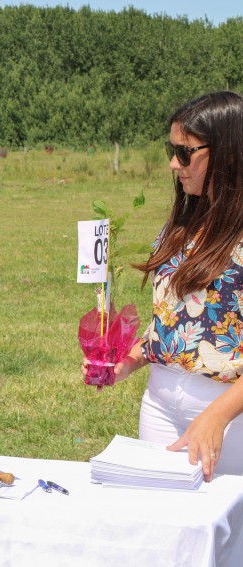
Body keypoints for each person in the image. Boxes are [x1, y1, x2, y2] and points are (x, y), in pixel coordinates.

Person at [81, 91, 243, 482]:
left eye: (185, 153)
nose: (174, 163)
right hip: (159, 403)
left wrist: (217, 417)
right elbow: (168, 321)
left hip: (229, 414)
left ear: (228, 154)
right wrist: (126, 363)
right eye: (172, 150)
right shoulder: (180, 228)